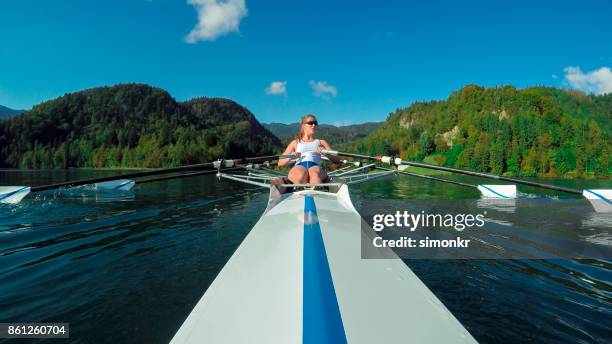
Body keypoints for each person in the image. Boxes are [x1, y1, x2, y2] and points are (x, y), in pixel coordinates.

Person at [278, 114, 335, 185]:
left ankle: (315, 189)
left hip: (315, 166)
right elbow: (280, 162)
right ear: (303, 125)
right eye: (310, 123)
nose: (314, 125)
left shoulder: (322, 142)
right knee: (300, 175)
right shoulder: (295, 142)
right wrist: (291, 156)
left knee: (315, 175)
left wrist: (326, 153)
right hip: (300, 165)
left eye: (315, 123)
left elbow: (336, 159)